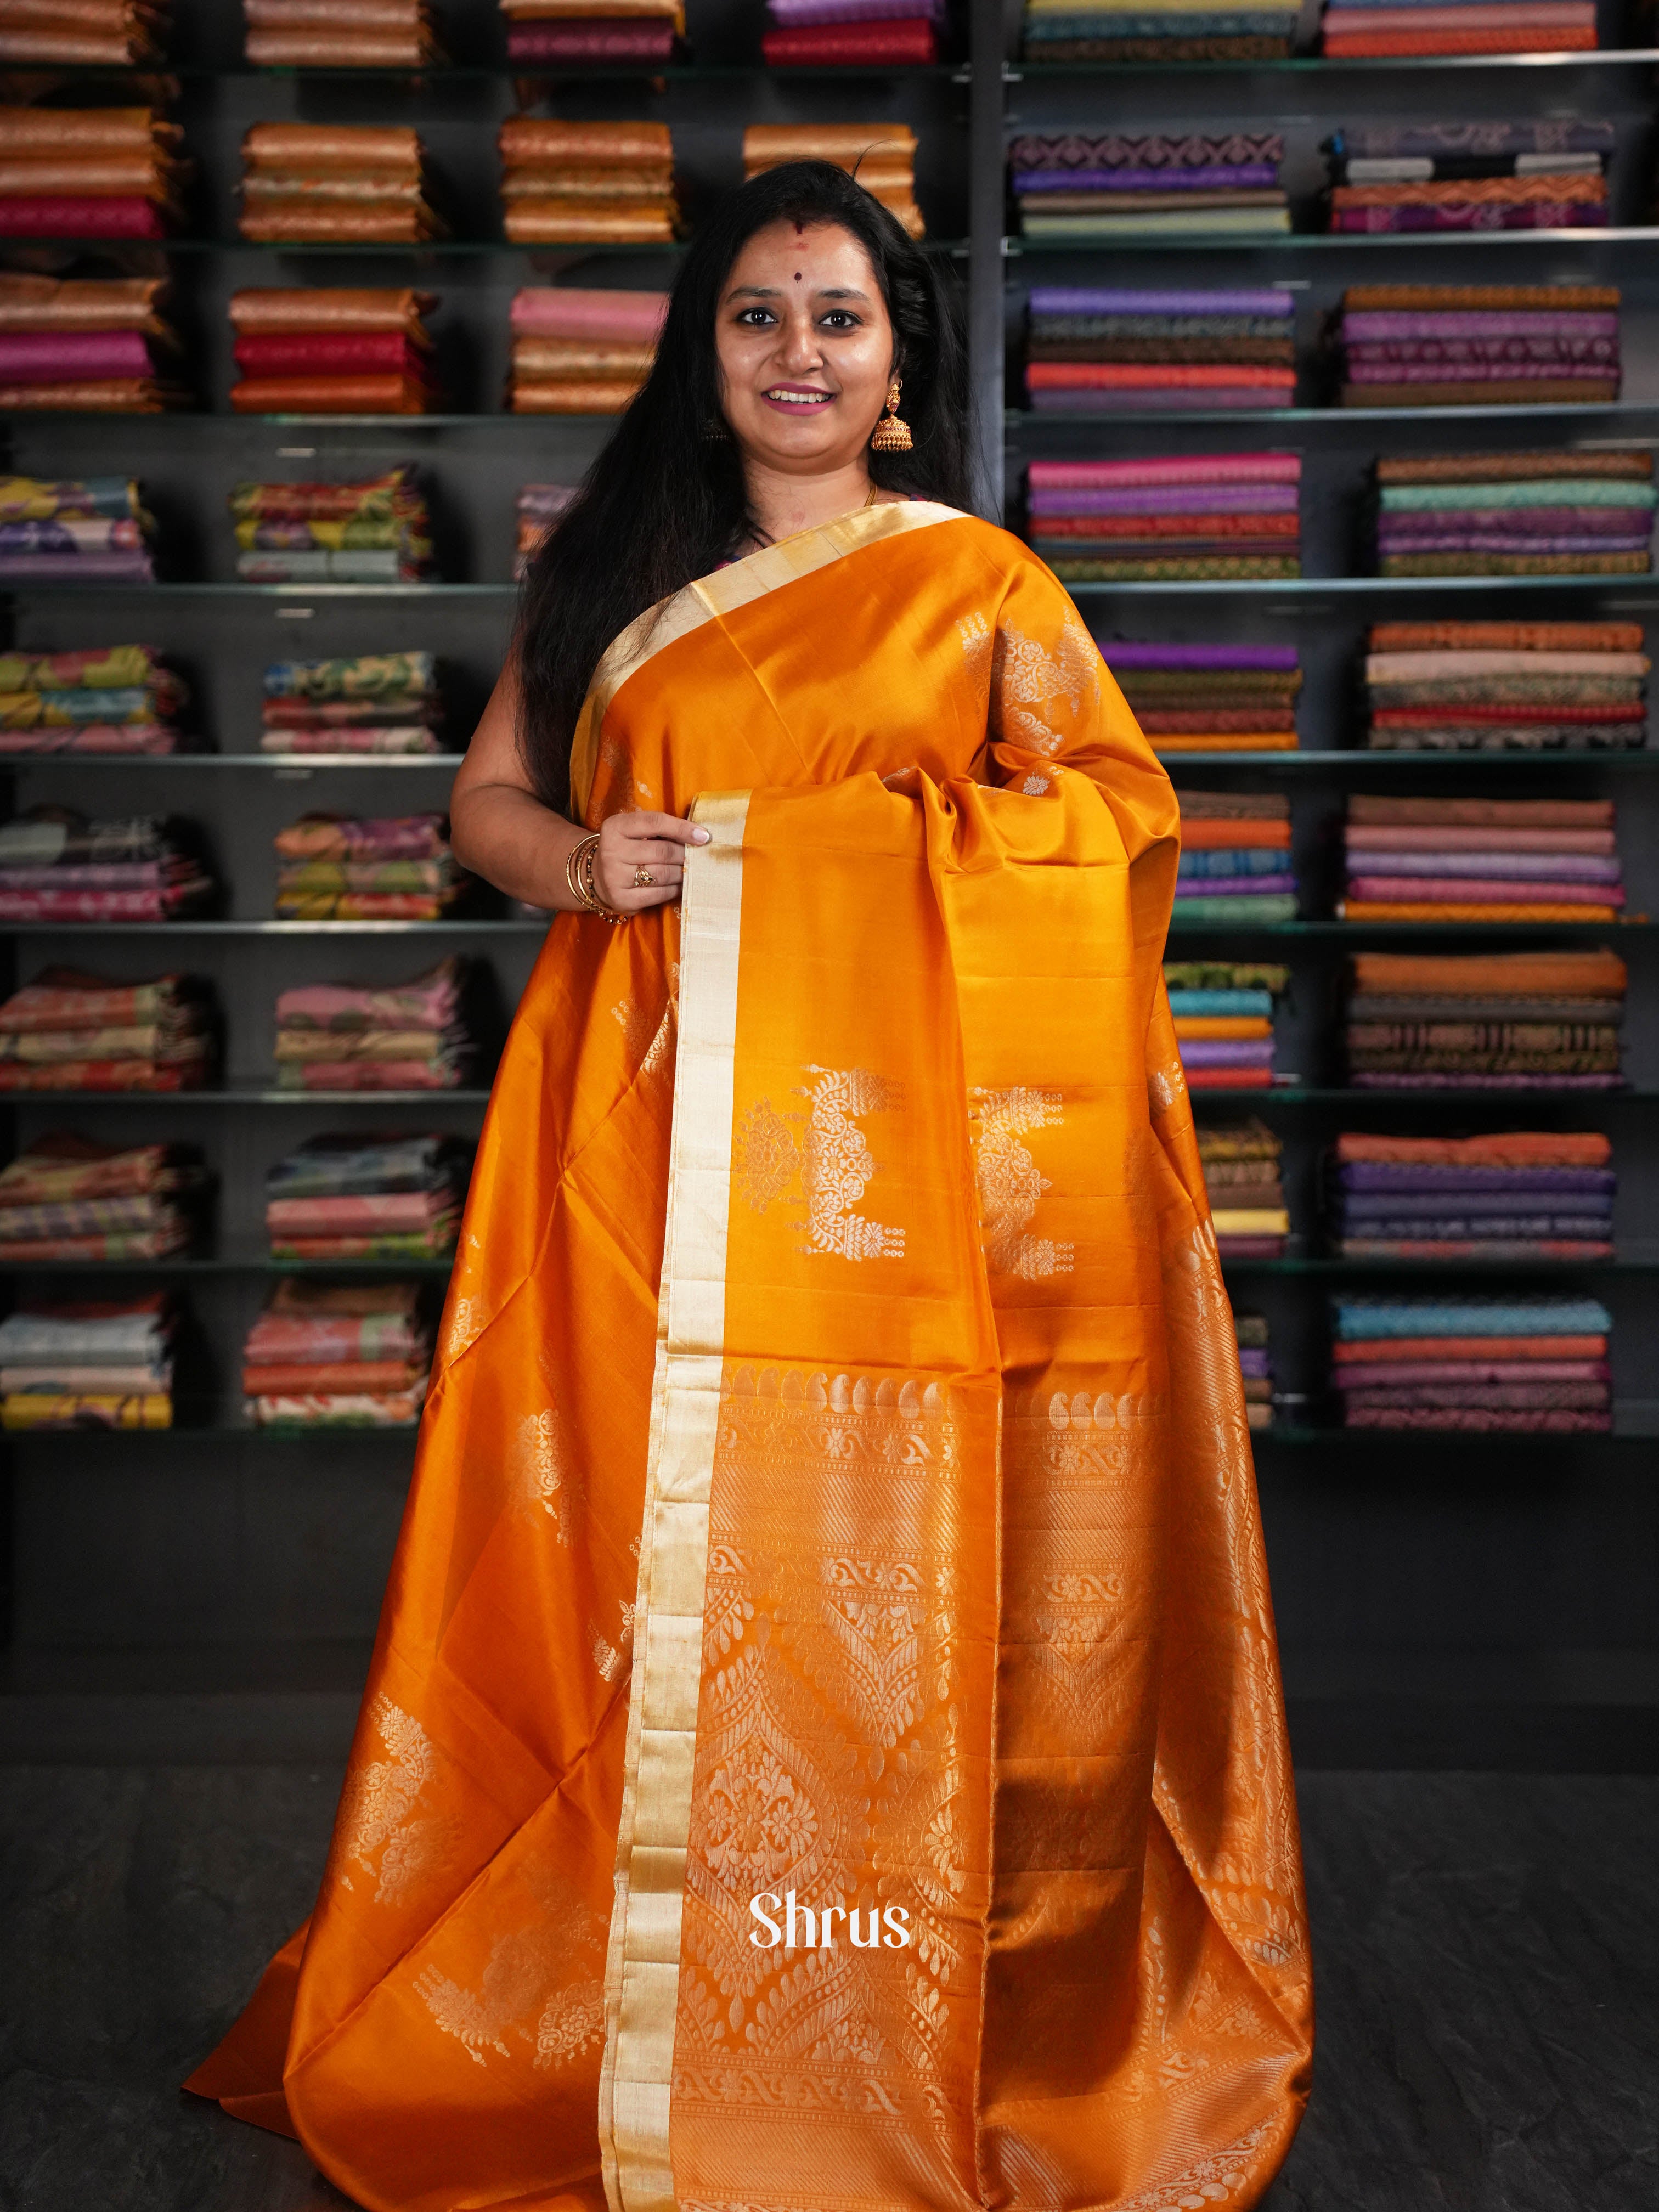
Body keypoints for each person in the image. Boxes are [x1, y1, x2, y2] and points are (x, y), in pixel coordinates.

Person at [189, 161, 1313, 2212]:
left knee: (898, 1587)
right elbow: (488, 807)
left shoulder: (982, 588)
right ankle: (623, 2005)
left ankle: (885, 2022)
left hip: (892, 1196)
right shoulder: (617, 565)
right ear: (705, 354)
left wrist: (850, 858)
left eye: (841, 318)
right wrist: (587, 864)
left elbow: (1121, 827)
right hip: (637, 1156)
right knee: (631, 1567)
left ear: (899, 364)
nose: (800, 353)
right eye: (758, 317)